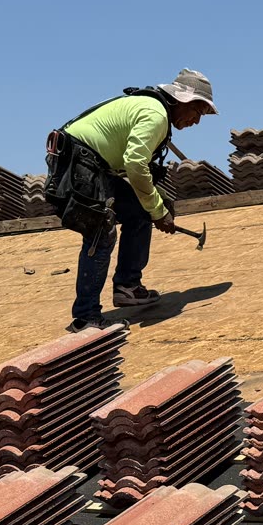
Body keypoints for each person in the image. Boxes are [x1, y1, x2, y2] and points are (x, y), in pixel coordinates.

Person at [48, 69, 216, 331]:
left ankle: (128, 286)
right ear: (183, 100)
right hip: (80, 163)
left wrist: (155, 206)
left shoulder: (151, 108)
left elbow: (131, 165)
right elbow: (136, 164)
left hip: (91, 164)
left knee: (139, 211)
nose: (197, 121)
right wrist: (159, 211)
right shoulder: (156, 114)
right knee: (101, 232)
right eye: (198, 111)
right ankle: (86, 318)